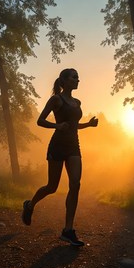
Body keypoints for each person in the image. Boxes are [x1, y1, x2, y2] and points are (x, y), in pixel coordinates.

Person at [22, 68, 98, 246]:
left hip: (73, 146)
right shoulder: (56, 99)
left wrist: (88, 124)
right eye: (74, 77)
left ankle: (68, 230)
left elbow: (73, 125)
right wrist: (57, 126)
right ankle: (30, 205)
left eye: (78, 77)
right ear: (63, 81)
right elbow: (40, 120)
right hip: (57, 146)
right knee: (52, 186)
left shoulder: (77, 102)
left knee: (75, 184)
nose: (78, 80)